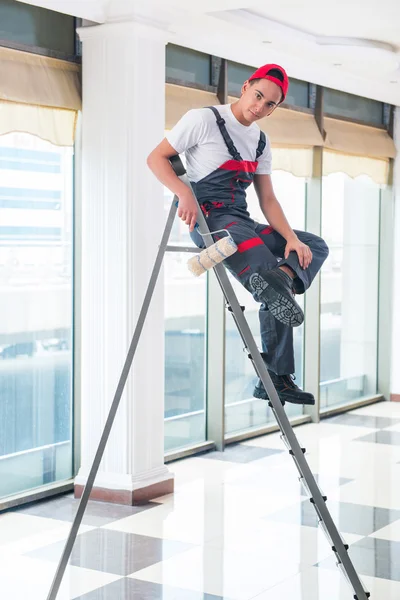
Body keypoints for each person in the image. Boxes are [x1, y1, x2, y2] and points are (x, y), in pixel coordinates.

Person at [147, 63, 329, 405]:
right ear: (246, 86)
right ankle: (276, 376)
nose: (259, 107)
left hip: (242, 220)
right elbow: (156, 157)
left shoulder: (260, 141)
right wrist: (183, 193)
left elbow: (268, 199)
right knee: (267, 274)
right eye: (258, 95)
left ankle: (281, 280)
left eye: (270, 104)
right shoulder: (202, 119)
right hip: (212, 224)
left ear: (275, 108)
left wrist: (291, 238)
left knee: (313, 246)